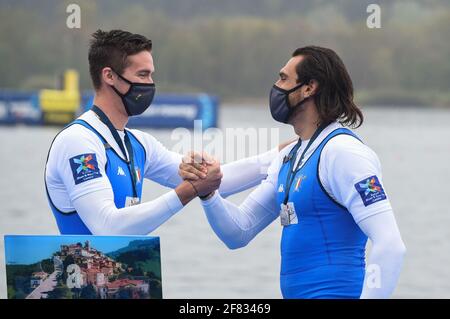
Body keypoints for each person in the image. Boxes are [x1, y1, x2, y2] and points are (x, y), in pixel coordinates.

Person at [181, 46, 406, 299]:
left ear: (309, 87)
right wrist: (208, 194)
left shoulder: (345, 154)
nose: (276, 86)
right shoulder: (288, 158)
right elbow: (238, 232)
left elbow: (390, 245)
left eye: (283, 78)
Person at [44, 29, 284, 235]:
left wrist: (288, 150)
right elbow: (108, 227)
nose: (150, 84)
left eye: (151, 75)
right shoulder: (78, 142)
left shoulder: (139, 144)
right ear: (109, 76)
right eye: (142, 75)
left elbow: (221, 182)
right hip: (77, 288)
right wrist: (188, 191)